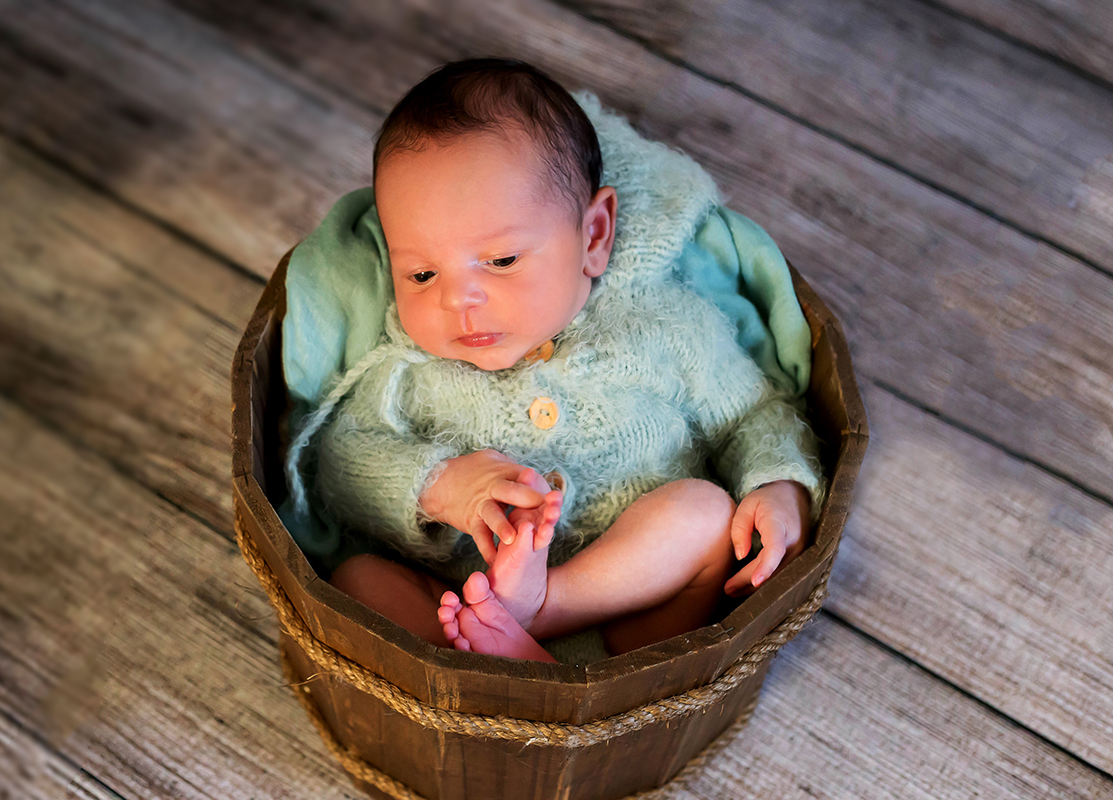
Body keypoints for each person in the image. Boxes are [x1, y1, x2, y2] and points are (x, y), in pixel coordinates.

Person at [294, 59, 824, 663]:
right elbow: (341, 461)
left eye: (500, 261)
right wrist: (439, 486)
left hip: (635, 623)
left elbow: (754, 412)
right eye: (421, 273)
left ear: (594, 235)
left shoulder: (665, 327)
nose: (456, 299)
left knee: (704, 513)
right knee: (360, 579)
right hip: (459, 610)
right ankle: (495, 670)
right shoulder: (409, 371)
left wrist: (780, 485)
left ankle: (546, 611)